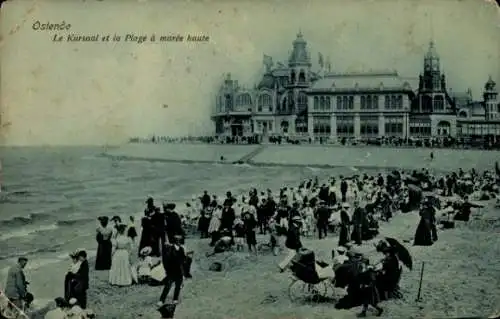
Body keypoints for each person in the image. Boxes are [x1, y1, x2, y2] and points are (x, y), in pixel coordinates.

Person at [158, 235, 186, 306]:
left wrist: (183, 272)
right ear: (175, 241)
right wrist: (167, 270)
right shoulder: (170, 249)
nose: (179, 242)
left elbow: (183, 260)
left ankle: (175, 299)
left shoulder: (182, 249)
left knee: (178, 286)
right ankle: (161, 300)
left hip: (179, 270)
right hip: (171, 270)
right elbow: (167, 261)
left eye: (180, 240)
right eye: (177, 240)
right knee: (168, 285)